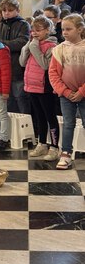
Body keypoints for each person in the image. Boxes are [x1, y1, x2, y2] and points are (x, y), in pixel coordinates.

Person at [20, 16, 59, 160]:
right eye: (32, 30)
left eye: (38, 30)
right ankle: (42, 144)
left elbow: (45, 65)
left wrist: (34, 47)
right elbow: (22, 62)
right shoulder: (33, 44)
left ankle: (54, 147)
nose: (34, 33)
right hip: (31, 86)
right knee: (39, 117)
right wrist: (28, 46)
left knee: (50, 117)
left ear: (48, 30)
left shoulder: (52, 46)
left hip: (45, 88)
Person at [49, 13, 85, 170]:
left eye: (68, 29)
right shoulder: (58, 50)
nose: (64, 32)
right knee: (68, 124)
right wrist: (64, 91)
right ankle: (66, 153)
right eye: (62, 29)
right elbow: (53, 74)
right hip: (66, 95)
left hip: (83, 94)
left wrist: (82, 92)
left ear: (80, 29)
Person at [0, 0, 31, 114]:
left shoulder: (23, 25)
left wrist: (0, 44)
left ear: (17, 10)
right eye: (4, 10)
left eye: (10, 10)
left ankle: (27, 129)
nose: (6, 13)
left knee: (20, 99)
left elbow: (21, 43)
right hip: (2, 69)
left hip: (17, 68)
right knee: (8, 101)